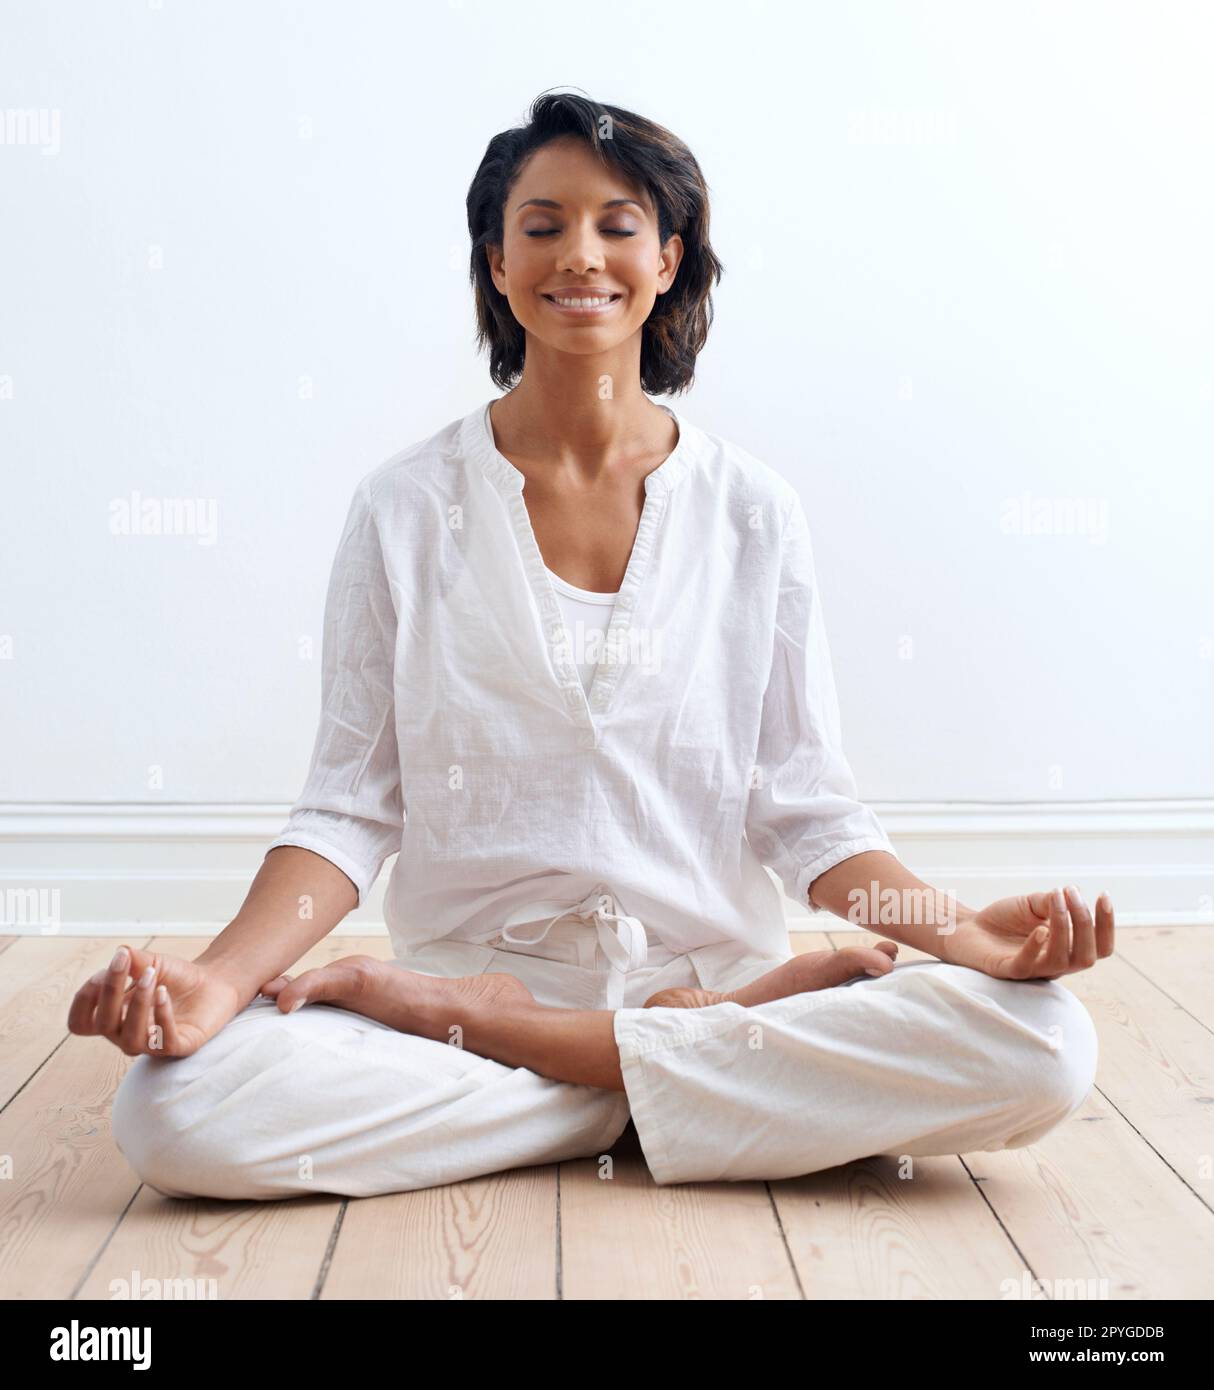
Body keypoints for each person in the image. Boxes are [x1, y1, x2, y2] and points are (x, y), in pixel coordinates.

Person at [71, 93, 1110, 1201]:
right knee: (176, 1111)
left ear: (668, 260)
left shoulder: (752, 511)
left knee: (1045, 1042)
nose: (580, 254)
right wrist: (220, 984)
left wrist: (960, 939)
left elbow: (806, 811)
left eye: (618, 224)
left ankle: (543, 1056)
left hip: (695, 975)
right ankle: (649, 1066)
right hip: (509, 983)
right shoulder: (404, 509)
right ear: (496, 260)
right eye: (542, 224)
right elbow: (345, 809)